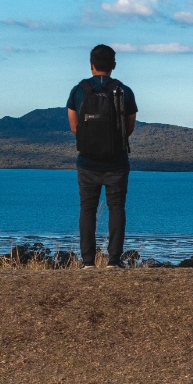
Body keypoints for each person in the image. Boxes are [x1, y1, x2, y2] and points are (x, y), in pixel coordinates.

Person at [67, 44, 137, 269]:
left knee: (87, 208)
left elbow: (74, 127)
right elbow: (129, 128)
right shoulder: (124, 91)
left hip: (87, 162)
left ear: (91, 65)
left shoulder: (78, 91)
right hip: (116, 162)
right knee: (116, 207)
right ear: (113, 66)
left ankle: (88, 262)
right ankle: (114, 261)